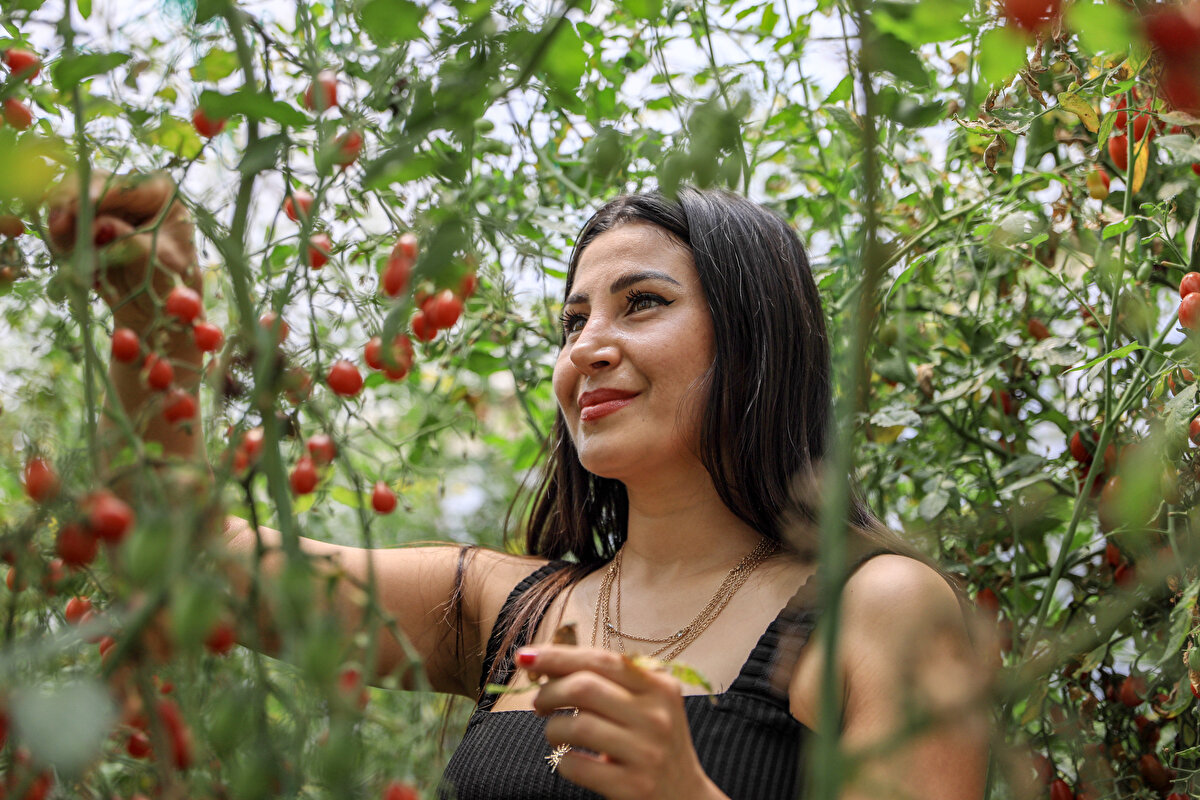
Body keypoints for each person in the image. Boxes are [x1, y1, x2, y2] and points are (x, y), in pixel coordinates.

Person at [51, 175, 989, 799]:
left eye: (643, 303)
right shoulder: (510, 613)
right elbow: (180, 565)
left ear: (757, 339)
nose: (587, 348)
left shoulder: (874, 610)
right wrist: (157, 332)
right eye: (573, 321)